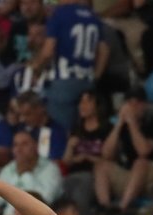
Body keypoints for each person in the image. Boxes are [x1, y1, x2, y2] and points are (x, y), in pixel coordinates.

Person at [93, 87, 153, 211]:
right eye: (130, 103)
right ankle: (106, 210)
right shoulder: (123, 126)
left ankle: (123, 208)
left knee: (140, 163)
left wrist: (132, 123)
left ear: (144, 105)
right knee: (101, 166)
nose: (133, 108)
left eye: (137, 103)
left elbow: (143, 151)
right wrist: (119, 124)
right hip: (132, 176)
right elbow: (106, 154)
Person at [39, 0, 108, 131]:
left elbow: (48, 51)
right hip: (87, 81)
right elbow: (104, 50)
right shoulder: (93, 16)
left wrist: (36, 67)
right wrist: (95, 76)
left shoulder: (59, 14)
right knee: (82, 130)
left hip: (63, 81)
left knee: (60, 131)